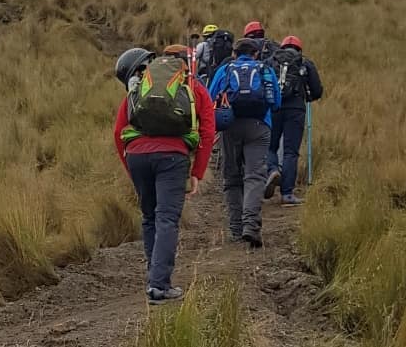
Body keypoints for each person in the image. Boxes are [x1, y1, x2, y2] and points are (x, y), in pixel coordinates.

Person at [114, 45, 216, 305]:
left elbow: (118, 131)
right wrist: (198, 172)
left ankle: (154, 276)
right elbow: (207, 130)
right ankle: (159, 286)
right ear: (186, 63)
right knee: (167, 219)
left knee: (149, 217)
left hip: (137, 156)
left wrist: (130, 168)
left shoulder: (144, 84)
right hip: (172, 157)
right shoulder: (192, 86)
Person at [209, 38, 281, 247]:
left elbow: (209, 96)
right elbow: (276, 102)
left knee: (232, 177)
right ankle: (251, 226)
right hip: (259, 126)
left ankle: (236, 228)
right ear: (256, 53)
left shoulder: (225, 70)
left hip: (230, 126)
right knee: (255, 176)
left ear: (234, 53)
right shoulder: (265, 70)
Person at [265, 36, 324, 205]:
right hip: (296, 110)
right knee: (291, 151)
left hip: (273, 107)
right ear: (299, 49)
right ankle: (287, 194)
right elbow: (317, 90)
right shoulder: (304, 63)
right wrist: (306, 97)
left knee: (271, 145)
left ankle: (272, 170)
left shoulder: (271, 61)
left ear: (282, 47)